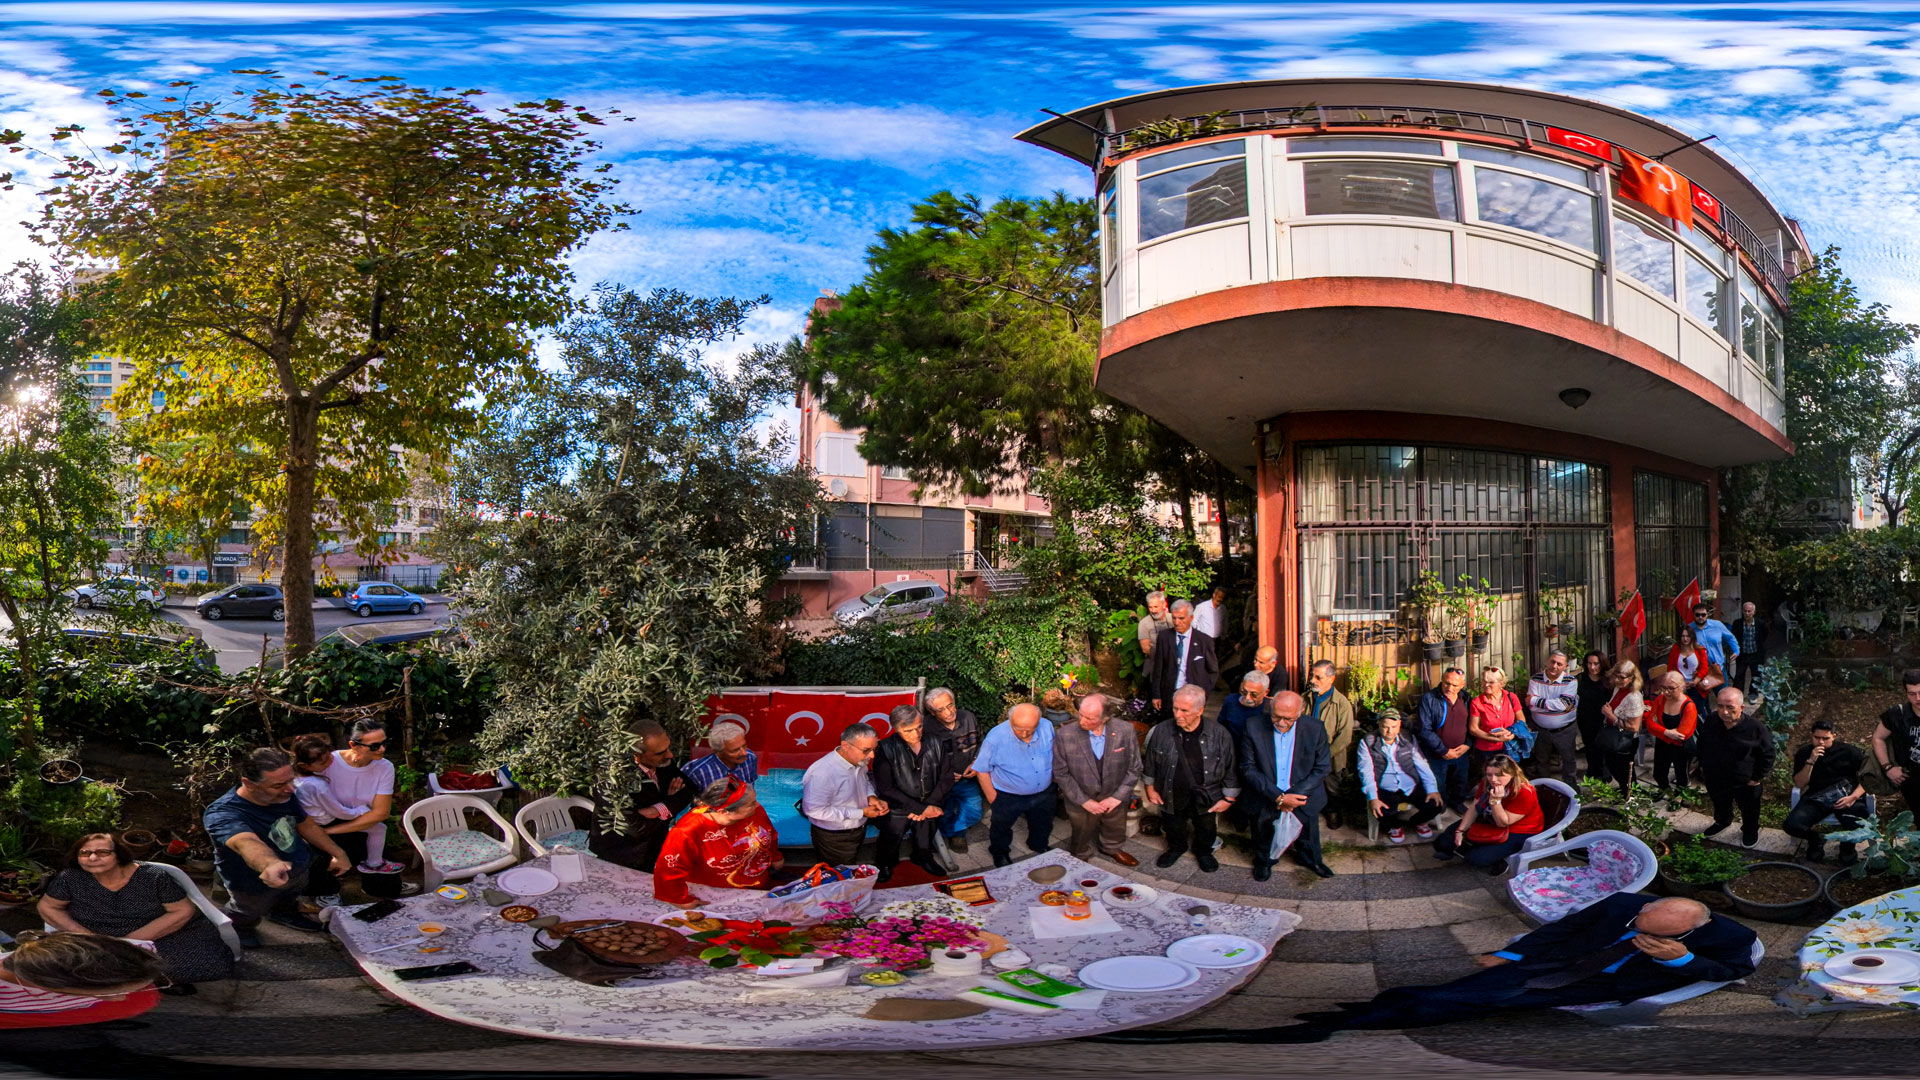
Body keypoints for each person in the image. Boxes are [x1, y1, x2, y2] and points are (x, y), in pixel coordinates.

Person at [1094, 895, 1757, 1044]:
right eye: (1643, 922)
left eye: (1651, 928)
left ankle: (1365, 1019)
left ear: (1687, 925)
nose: (1639, 926)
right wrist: (1515, 951)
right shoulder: (1626, 905)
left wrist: (1684, 960)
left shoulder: (1717, 938)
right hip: (1550, 964)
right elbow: (1563, 929)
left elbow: (1732, 970)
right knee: (1466, 988)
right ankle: (1375, 1008)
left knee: (1477, 1005)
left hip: (1587, 986)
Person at [38, 833, 233, 993]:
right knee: (68, 966)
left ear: (118, 854)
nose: (92, 858)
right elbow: (48, 907)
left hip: (157, 931)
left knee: (204, 962)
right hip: (96, 933)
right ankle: (137, 983)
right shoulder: (71, 877)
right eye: (84, 853)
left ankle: (152, 982)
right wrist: (87, 936)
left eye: (102, 852)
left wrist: (133, 940)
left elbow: (182, 910)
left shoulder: (153, 876)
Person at [202, 747, 352, 948]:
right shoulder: (223, 814)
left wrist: (338, 852)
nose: (291, 789)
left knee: (290, 896)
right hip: (252, 883)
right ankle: (240, 930)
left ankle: (283, 913)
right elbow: (245, 842)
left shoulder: (283, 794)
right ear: (249, 783)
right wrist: (270, 864)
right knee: (246, 911)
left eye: (291, 780)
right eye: (279, 784)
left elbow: (304, 823)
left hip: (297, 868)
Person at [1239, 690, 1334, 880]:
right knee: (1262, 831)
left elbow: (1322, 767)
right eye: (1276, 716)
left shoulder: (1315, 728)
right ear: (1270, 709)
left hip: (1302, 794)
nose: (1281, 723)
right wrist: (1278, 796)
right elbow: (1247, 767)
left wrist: (1293, 797)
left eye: (1288, 719)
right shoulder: (1253, 726)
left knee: (1308, 833)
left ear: (1300, 713)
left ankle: (1311, 859)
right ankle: (1264, 861)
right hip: (1266, 792)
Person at [1142, 684, 1237, 872]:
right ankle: (1176, 848)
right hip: (1171, 792)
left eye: (1184, 710)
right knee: (1173, 824)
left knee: (1206, 827)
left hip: (1207, 795)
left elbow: (1230, 767)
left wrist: (1229, 798)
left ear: (1199, 710)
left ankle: (1204, 852)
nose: (1178, 714)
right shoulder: (1161, 731)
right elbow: (1150, 761)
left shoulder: (1219, 734)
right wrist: (1150, 788)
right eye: (1175, 708)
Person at [652, 778, 781, 908]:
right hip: (717, 893)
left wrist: (775, 856)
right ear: (724, 812)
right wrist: (679, 899)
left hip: (757, 884)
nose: (757, 804)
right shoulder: (688, 831)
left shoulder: (755, 811)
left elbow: (769, 834)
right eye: (751, 803)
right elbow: (669, 868)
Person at [0, 932, 167, 1029]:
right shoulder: (5, 997)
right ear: (45, 987)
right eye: (113, 993)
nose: (119, 998)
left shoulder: (137, 952)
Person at [590, 719, 695, 872]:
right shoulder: (611, 779)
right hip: (620, 856)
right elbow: (636, 828)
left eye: (668, 748)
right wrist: (669, 805)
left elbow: (689, 789)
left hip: (653, 850)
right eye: (660, 753)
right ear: (636, 756)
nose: (670, 755)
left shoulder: (663, 762)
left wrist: (660, 808)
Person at [1054, 693, 1143, 868]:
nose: (1081, 722)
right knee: (1081, 829)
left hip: (1114, 793)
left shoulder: (1125, 730)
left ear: (1105, 718)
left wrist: (1117, 797)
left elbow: (1135, 768)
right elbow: (1060, 772)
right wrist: (1084, 801)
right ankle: (1080, 853)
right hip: (1081, 796)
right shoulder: (1065, 734)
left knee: (1115, 826)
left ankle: (1112, 848)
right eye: (1081, 715)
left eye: (1089, 718)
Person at [872, 705, 955, 881]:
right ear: (896, 729)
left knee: (926, 836)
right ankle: (885, 864)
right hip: (899, 807)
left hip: (931, 802)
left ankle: (923, 858)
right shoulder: (886, 748)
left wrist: (930, 804)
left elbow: (946, 776)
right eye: (908, 730)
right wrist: (919, 808)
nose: (916, 734)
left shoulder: (936, 742)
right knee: (891, 839)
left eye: (919, 727)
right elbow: (886, 787)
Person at [315, 719, 405, 876]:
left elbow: (381, 813)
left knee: (388, 881)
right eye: (375, 746)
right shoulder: (329, 762)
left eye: (385, 742)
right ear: (353, 745)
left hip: (360, 821)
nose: (382, 749)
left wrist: (330, 831)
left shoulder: (385, 767)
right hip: (327, 819)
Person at [290, 734, 369, 908]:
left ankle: (324, 888)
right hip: (326, 823)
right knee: (336, 856)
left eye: (329, 755)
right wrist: (361, 811)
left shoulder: (296, 777)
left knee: (321, 860)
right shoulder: (316, 785)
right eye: (323, 762)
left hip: (308, 824)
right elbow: (339, 811)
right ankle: (326, 892)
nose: (330, 761)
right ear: (305, 765)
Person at [972, 703, 1057, 868]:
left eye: (1030, 729)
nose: (1024, 734)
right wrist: (993, 799)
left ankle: (1038, 845)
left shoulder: (1046, 727)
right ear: (1010, 720)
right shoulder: (995, 737)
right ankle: (1000, 852)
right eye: (1019, 729)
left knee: (1043, 822)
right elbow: (981, 770)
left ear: (1038, 722)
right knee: (1001, 827)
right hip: (1008, 794)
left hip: (1044, 792)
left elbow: (1054, 753)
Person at [1433, 754, 1543, 874]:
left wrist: (1495, 801)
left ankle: (1497, 858)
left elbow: (1502, 823)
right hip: (1489, 818)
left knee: (1476, 859)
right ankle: (1475, 847)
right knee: (1442, 843)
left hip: (1518, 829)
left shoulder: (1524, 792)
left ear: (1512, 774)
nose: (1493, 779)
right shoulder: (1486, 782)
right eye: (1489, 774)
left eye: (1499, 775)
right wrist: (1460, 830)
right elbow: (1474, 807)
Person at [1694, 686, 1774, 848]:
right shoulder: (1712, 721)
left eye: (1730, 707)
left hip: (1745, 781)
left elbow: (1768, 754)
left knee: (1749, 809)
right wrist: (1702, 765)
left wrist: (1756, 777)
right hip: (1715, 777)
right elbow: (1702, 744)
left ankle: (1750, 830)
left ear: (1741, 708)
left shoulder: (1755, 728)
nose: (1724, 712)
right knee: (1720, 803)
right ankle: (1722, 821)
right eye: (1720, 706)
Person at [800, 723, 888, 866]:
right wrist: (861, 813)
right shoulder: (823, 773)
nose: (872, 755)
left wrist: (871, 797)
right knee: (837, 875)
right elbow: (814, 810)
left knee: (848, 868)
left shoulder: (859, 761)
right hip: (834, 837)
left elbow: (864, 782)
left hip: (857, 829)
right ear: (845, 746)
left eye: (874, 749)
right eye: (866, 750)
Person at [1356, 709, 1444, 844]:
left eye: (1394, 727)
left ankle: (1417, 822)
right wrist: (1373, 797)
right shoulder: (1367, 742)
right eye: (1385, 727)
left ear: (1400, 725)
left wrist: (1432, 789)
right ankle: (1395, 826)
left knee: (1436, 805)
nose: (1389, 731)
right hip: (1386, 787)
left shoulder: (1408, 738)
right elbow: (1365, 771)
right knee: (1380, 811)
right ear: (1379, 724)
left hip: (1410, 784)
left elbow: (1422, 764)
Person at [1786, 720, 1868, 862]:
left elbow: (1868, 779)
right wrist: (1811, 760)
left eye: (1826, 738)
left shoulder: (1849, 752)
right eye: (1817, 738)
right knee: (1792, 825)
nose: (1821, 742)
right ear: (1811, 736)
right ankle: (1815, 840)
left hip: (1846, 795)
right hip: (1817, 796)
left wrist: (1853, 797)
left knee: (1859, 821)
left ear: (1834, 736)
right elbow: (1800, 783)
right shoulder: (1804, 753)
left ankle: (1847, 847)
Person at [925, 687, 984, 853]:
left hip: (967, 779)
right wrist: (944, 774)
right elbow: (923, 758)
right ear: (932, 712)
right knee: (945, 810)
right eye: (941, 709)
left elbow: (982, 742)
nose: (949, 712)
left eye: (950, 705)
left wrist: (976, 762)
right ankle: (955, 835)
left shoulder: (968, 717)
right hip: (941, 781)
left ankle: (952, 831)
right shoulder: (926, 727)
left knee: (975, 811)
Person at [1304, 659, 1356, 830]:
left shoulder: (1342, 704)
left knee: (1332, 787)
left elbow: (1345, 737)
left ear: (1331, 679)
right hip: (1306, 753)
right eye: (1312, 676)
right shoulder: (1305, 699)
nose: (1313, 680)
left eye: (1318, 677)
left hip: (1330, 757)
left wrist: (1325, 755)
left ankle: (1332, 811)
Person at [1414, 667, 1474, 812]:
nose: (1449, 688)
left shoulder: (1465, 698)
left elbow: (1472, 724)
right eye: (1446, 683)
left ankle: (1457, 802)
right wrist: (1443, 750)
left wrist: (1467, 745)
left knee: (1460, 781)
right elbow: (1424, 729)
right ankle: (1440, 806)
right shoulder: (1429, 699)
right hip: (1437, 753)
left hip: (1461, 752)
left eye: (1454, 685)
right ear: (1441, 681)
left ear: (1462, 685)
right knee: (1438, 783)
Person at [1148, 600, 1219, 716]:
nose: (1177, 622)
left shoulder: (1204, 641)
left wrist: (1203, 694)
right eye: (1174, 618)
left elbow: (1213, 670)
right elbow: (1158, 668)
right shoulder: (1164, 637)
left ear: (1191, 618)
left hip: (1192, 695)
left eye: (1181, 618)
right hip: (1169, 693)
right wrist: (1156, 694)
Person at [1525, 650, 1580, 785]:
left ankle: (1570, 787)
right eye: (1552, 662)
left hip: (1565, 730)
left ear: (1565, 666)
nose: (1555, 666)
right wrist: (1554, 704)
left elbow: (1563, 704)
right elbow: (1530, 706)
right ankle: (1545, 786)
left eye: (1559, 664)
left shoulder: (1571, 681)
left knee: (1568, 759)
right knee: (1541, 760)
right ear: (1547, 661)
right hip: (1541, 730)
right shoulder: (1535, 679)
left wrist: (1536, 701)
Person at [1871, 669, 1920, 812]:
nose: (1918, 698)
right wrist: (1888, 767)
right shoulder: (1898, 714)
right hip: (1912, 779)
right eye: (1912, 694)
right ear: (1906, 693)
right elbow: (1878, 738)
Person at [1598, 661, 1647, 797]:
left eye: (1622, 677)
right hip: (1614, 735)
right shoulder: (1618, 688)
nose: (1617, 680)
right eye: (1616, 676)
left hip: (1625, 740)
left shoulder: (1634, 697)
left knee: (1624, 771)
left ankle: (1630, 796)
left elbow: (1634, 727)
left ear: (1631, 678)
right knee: (1615, 767)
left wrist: (1611, 716)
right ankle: (1627, 791)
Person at [1646, 671, 1699, 792]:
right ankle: (1666, 791)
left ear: (1681, 687)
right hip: (1663, 743)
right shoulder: (1660, 699)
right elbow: (1649, 724)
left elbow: (1682, 735)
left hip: (1682, 747)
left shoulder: (1689, 706)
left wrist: (1658, 730)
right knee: (1658, 773)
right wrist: (1667, 732)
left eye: (1671, 688)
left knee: (1681, 775)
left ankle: (1680, 796)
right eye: (1663, 688)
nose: (1666, 692)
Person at [1467, 665, 1523, 775]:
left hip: (1510, 747)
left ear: (1501, 684)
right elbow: (1473, 729)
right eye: (1484, 681)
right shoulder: (1477, 702)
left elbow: (1521, 718)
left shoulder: (1511, 697)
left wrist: (1512, 732)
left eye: (1491, 682)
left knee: (1511, 777)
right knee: (1490, 780)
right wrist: (1496, 739)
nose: (1486, 685)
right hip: (1487, 750)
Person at [682, 720, 758, 794]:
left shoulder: (750, 758)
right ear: (718, 752)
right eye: (735, 750)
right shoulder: (698, 772)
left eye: (744, 746)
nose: (744, 753)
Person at [1667, 624, 1723, 715]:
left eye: (1688, 636)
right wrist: (1679, 683)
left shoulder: (1700, 650)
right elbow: (1670, 668)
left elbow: (1704, 668)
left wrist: (1695, 681)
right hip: (1681, 688)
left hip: (1697, 686)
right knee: (1683, 712)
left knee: (1698, 712)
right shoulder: (1675, 649)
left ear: (1692, 637)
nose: (1685, 639)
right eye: (1683, 636)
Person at [1575, 650, 1613, 781]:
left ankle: (1605, 773)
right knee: (1589, 746)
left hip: (1603, 719)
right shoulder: (1581, 678)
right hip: (1585, 718)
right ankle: (1592, 770)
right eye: (1589, 663)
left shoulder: (1609, 680)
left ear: (1602, 664)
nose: (1592, 667)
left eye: (1596, 664)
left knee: (1602, 747)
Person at [1689, 601, 1740, 680]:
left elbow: (1730, 637)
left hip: (1718, 666)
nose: (1700, 617)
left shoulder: (1717, 625)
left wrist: (1736, 650)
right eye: (1697, 615)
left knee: (1723, 691)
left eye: (1703, 615)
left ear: (1707, 615)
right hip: (1699, 669)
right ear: (1693, 615)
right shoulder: (1690, 629)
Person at [1217, 670, 1271, 741]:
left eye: (1254, 694)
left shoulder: (1271, 707)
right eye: (1244, 692)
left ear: (1265, 692)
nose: (1247, 697)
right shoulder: (1231, 700)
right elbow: (1220, 726)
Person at [1728, 601, 1768, 696]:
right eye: (1745, 611)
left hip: (1756, 653)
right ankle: (1738, 695)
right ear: (1742, 611)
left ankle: (1753, 694)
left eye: (1749, 611)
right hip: (1743, 654)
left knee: (1756, 675)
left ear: (1754, 612)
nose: (1747, 613)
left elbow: (1765, 635)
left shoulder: (1760, 623)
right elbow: (1733, 637)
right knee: (1739, 675)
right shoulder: (1737, 623)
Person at [1137, 590, 1171, 657]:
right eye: (1150, 607)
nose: (1153, 611)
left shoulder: (1173, 619)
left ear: (1164, 605)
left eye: (1156, 607)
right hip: (1153, 660)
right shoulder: (1144, 623)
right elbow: (1145, 648)